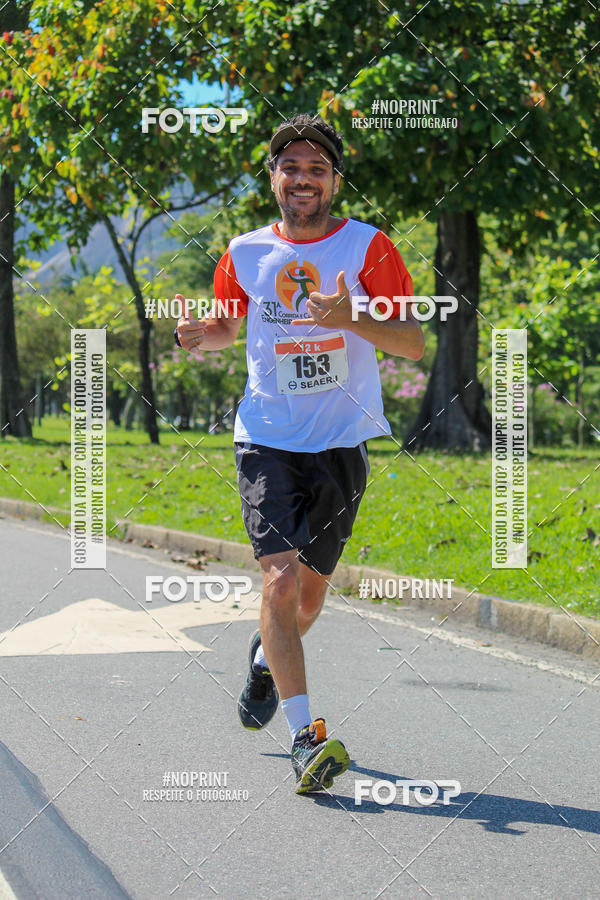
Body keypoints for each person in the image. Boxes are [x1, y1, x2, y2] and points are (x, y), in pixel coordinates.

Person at [176, 113, 424, 794]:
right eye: (292, 167)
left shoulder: (369, 248)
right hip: (267, 438)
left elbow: (412, 344)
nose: (304, 178)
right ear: (274, 177)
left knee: (309, 598)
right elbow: (230, 326)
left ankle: (263, 663)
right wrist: (204, 333)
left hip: (341, 444)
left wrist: (351, 318)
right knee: (279, 582)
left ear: (335, 181)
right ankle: (304, 738)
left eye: (317, 168)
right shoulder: (244, 251)